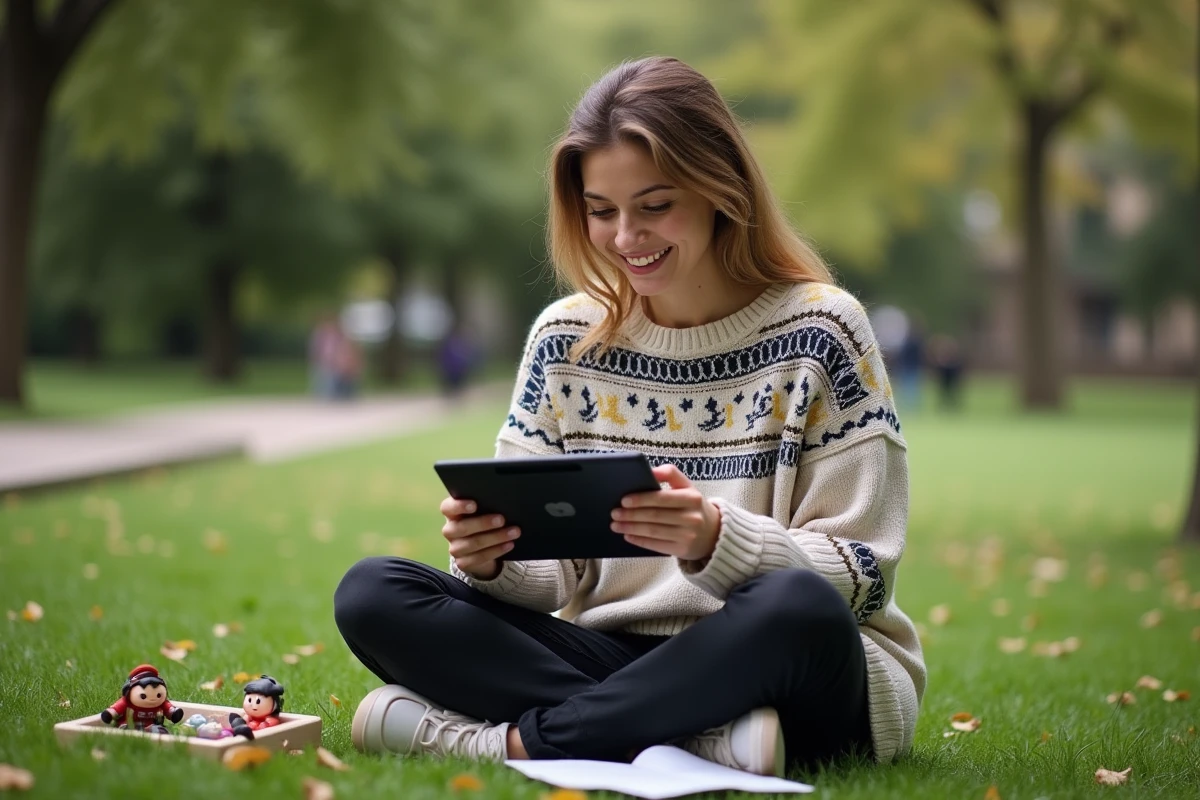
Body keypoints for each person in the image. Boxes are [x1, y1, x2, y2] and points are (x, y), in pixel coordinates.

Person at [334, 56, 924, 777]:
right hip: (616, 653)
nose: (625, 238)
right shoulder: (565, 339)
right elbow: (552, 578)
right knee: (374, 592)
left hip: (789, 664)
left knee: (793, 607)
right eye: (602, 210)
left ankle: (508, 744)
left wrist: (716, 538)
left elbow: (864, 576)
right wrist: (491, 558)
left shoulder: (825, 331)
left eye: (654, 205)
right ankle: (702, 742)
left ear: (720, 190)